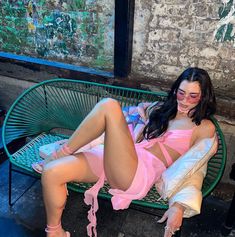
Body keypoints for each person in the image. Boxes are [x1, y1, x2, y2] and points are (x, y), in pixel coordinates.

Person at [33, 67, 216, 237]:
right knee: (52, 172)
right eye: (181, 93)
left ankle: (61, 153)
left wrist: (180, 205)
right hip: (117, 156)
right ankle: (54, 231)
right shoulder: (160, 109)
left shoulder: (203, 127)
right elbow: (125, 124)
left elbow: (196, 166)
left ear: (203, 97)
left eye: (192, 96)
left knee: (109, 105)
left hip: (138, 173)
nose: (184, 101)